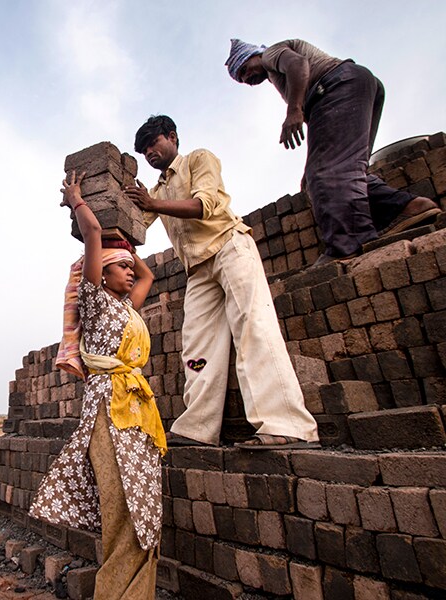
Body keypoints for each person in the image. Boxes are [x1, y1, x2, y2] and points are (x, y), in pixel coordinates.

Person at [124, 115, 320, 450]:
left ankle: (288, 425)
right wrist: (89, 207)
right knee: (196, 346)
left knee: (252, 326)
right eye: (143, 151)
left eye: (153, 144)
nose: (149, 154)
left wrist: (152, 203)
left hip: (229, 247)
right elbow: (134, 230)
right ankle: (198, 428)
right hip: (198, 269)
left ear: (172, 137)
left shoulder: (200, 159)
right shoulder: (155, 191)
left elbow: (204, 206)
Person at [30, 171, 165, 599]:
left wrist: (127, 246)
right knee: (121, 508)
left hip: (139, 415)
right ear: (101, 275)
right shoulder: (96, 303)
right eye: (120, 268)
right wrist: (77, 200)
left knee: (145, 510)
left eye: (128, 268)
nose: (129, 273)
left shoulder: (127, 311)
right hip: (109, 411)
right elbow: (90, 233)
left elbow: (147, 279)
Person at [225, 38, 440, 265]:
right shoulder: (276, 75)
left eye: (245, 70)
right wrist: (310, 171)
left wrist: (294, 110)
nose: (247, 79)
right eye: (242, 79)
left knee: (328, 172)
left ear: (253, 55)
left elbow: (298, 64)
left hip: (338, 86)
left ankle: (348, 243)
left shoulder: (271, 54)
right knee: (344, 170)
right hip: (356, 85)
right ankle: (409, 208)